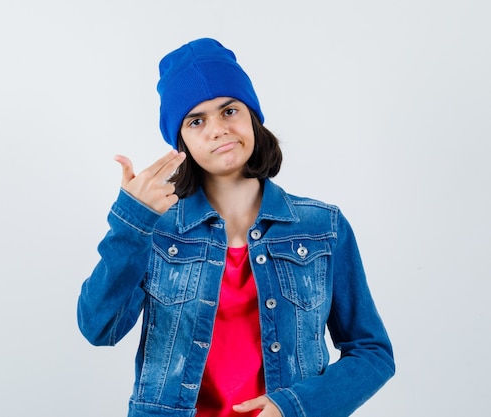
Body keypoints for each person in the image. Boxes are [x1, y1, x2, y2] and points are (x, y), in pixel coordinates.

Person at [77, 38, 395, 417]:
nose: (217, 129)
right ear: (182, 142)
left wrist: (293, 407)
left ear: (252, 118)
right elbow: (100, 328)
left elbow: (372, 353)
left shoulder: (322, 227)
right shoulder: (157, 231)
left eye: (229, 111)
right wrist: (133, 223)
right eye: (197, 121)